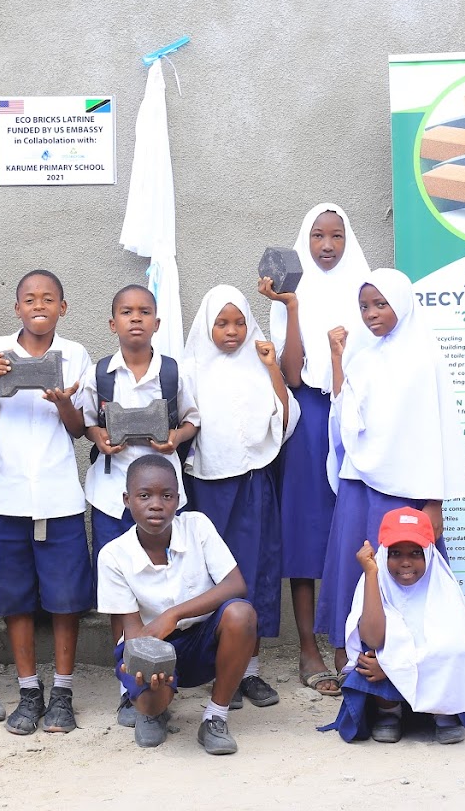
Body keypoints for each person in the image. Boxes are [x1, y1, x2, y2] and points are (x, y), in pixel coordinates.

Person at [318, 268, 465, 672]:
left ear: (401, 304)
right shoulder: (363, 355)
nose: (371, 314)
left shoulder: (425, 358)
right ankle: (347, 653)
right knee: (355, 564)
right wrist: (338, 358)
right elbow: (345, 416)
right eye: (364, 306)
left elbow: (437, 432)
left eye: (380, 304)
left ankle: (412, 660)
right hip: (360, 481)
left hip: (407, 489)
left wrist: (434, 502)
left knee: (405, 571)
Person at [0, 270, 93, 735]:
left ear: (62, 308)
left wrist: (63, 401)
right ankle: (28, 691)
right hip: (4, 495)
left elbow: (79, 428)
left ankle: (62, 693)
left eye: (48, 299)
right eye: (29, 298)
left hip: (59, 494)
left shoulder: (75, 354)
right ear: (17, 307)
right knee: (15, 600)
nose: (38, 305)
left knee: (64, 601)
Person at [260, 204, 370, 695]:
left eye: (337, 237)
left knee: (349, 531)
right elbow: (290, 374)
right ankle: (308, 647)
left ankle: (350, 646)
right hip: (308, 418)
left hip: (357, 415)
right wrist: (292, 308)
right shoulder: (289, 293)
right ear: (305, 241)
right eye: (319, 236)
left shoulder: (368, 290)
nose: (327, 246)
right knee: (306, 532)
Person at [79, 284, 200, 726]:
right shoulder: (101, 374)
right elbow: (88, 421)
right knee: (120, 596)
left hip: (165, 502)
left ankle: (165, 677)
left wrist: (175, 439)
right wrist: (100, 440)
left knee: (165, 588)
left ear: (157, 323)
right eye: (126, 312)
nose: (135, 319)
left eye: (144, 312)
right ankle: (129, 688)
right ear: (112, 324)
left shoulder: (172, 373)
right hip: (113, 498)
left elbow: (192, 419)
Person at [183, 285, 299, 710]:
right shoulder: (190, 368)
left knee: (254, 573)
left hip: (252, 485)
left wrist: (271, 369)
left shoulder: (258, 363)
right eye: (221, 323)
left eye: (239, 323)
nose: (232, 331)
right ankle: (219, 671)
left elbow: (285, 421)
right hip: (208, 487)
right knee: (211, 576)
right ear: (207, 326)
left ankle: (248, 672)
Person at [97, 455, 257, 756]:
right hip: (149, 646)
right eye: (144, 495)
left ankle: (215, 717)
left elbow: (236, 585)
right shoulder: (113, 555)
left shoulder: (197, 527)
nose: (156, 504)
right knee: (152, 700)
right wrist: (146, 670)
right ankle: (150, 709)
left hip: (201, 641)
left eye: (166, 496)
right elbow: (132, 633)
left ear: (178, 499)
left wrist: (173, 614)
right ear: (127, 500)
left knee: (241, 613)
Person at [325, 507, 465, 745]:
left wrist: (392, 667)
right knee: (369, 652)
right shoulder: (375, 579)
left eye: (415, 553)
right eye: (395, 553)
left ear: (429, 554)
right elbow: (373, 639)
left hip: (429, 679)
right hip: (390, 676)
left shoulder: (444, 588)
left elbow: (454, 651)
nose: (405, 562)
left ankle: (443, 715)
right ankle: (389, 712)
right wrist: (371, 574)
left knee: (451, 650)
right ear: (383, 555)